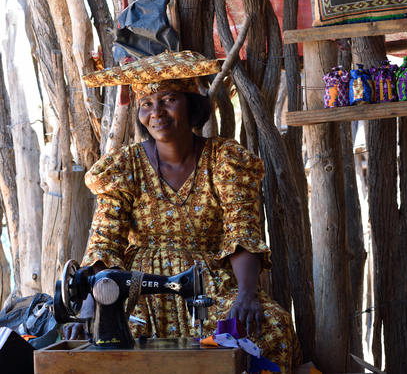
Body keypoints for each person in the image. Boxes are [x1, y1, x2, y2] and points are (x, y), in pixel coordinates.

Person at [63, 51, 302, 373]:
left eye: (169, 100)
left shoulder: (224, 159)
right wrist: (92, 306)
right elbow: (105, 241)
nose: (156, 112)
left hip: (209, 282)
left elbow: (241, 228)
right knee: (110, 337)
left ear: (192, 105)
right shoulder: (124, 166)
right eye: (146, 104)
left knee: (270, 327)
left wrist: (247, 293)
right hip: (138, 284)